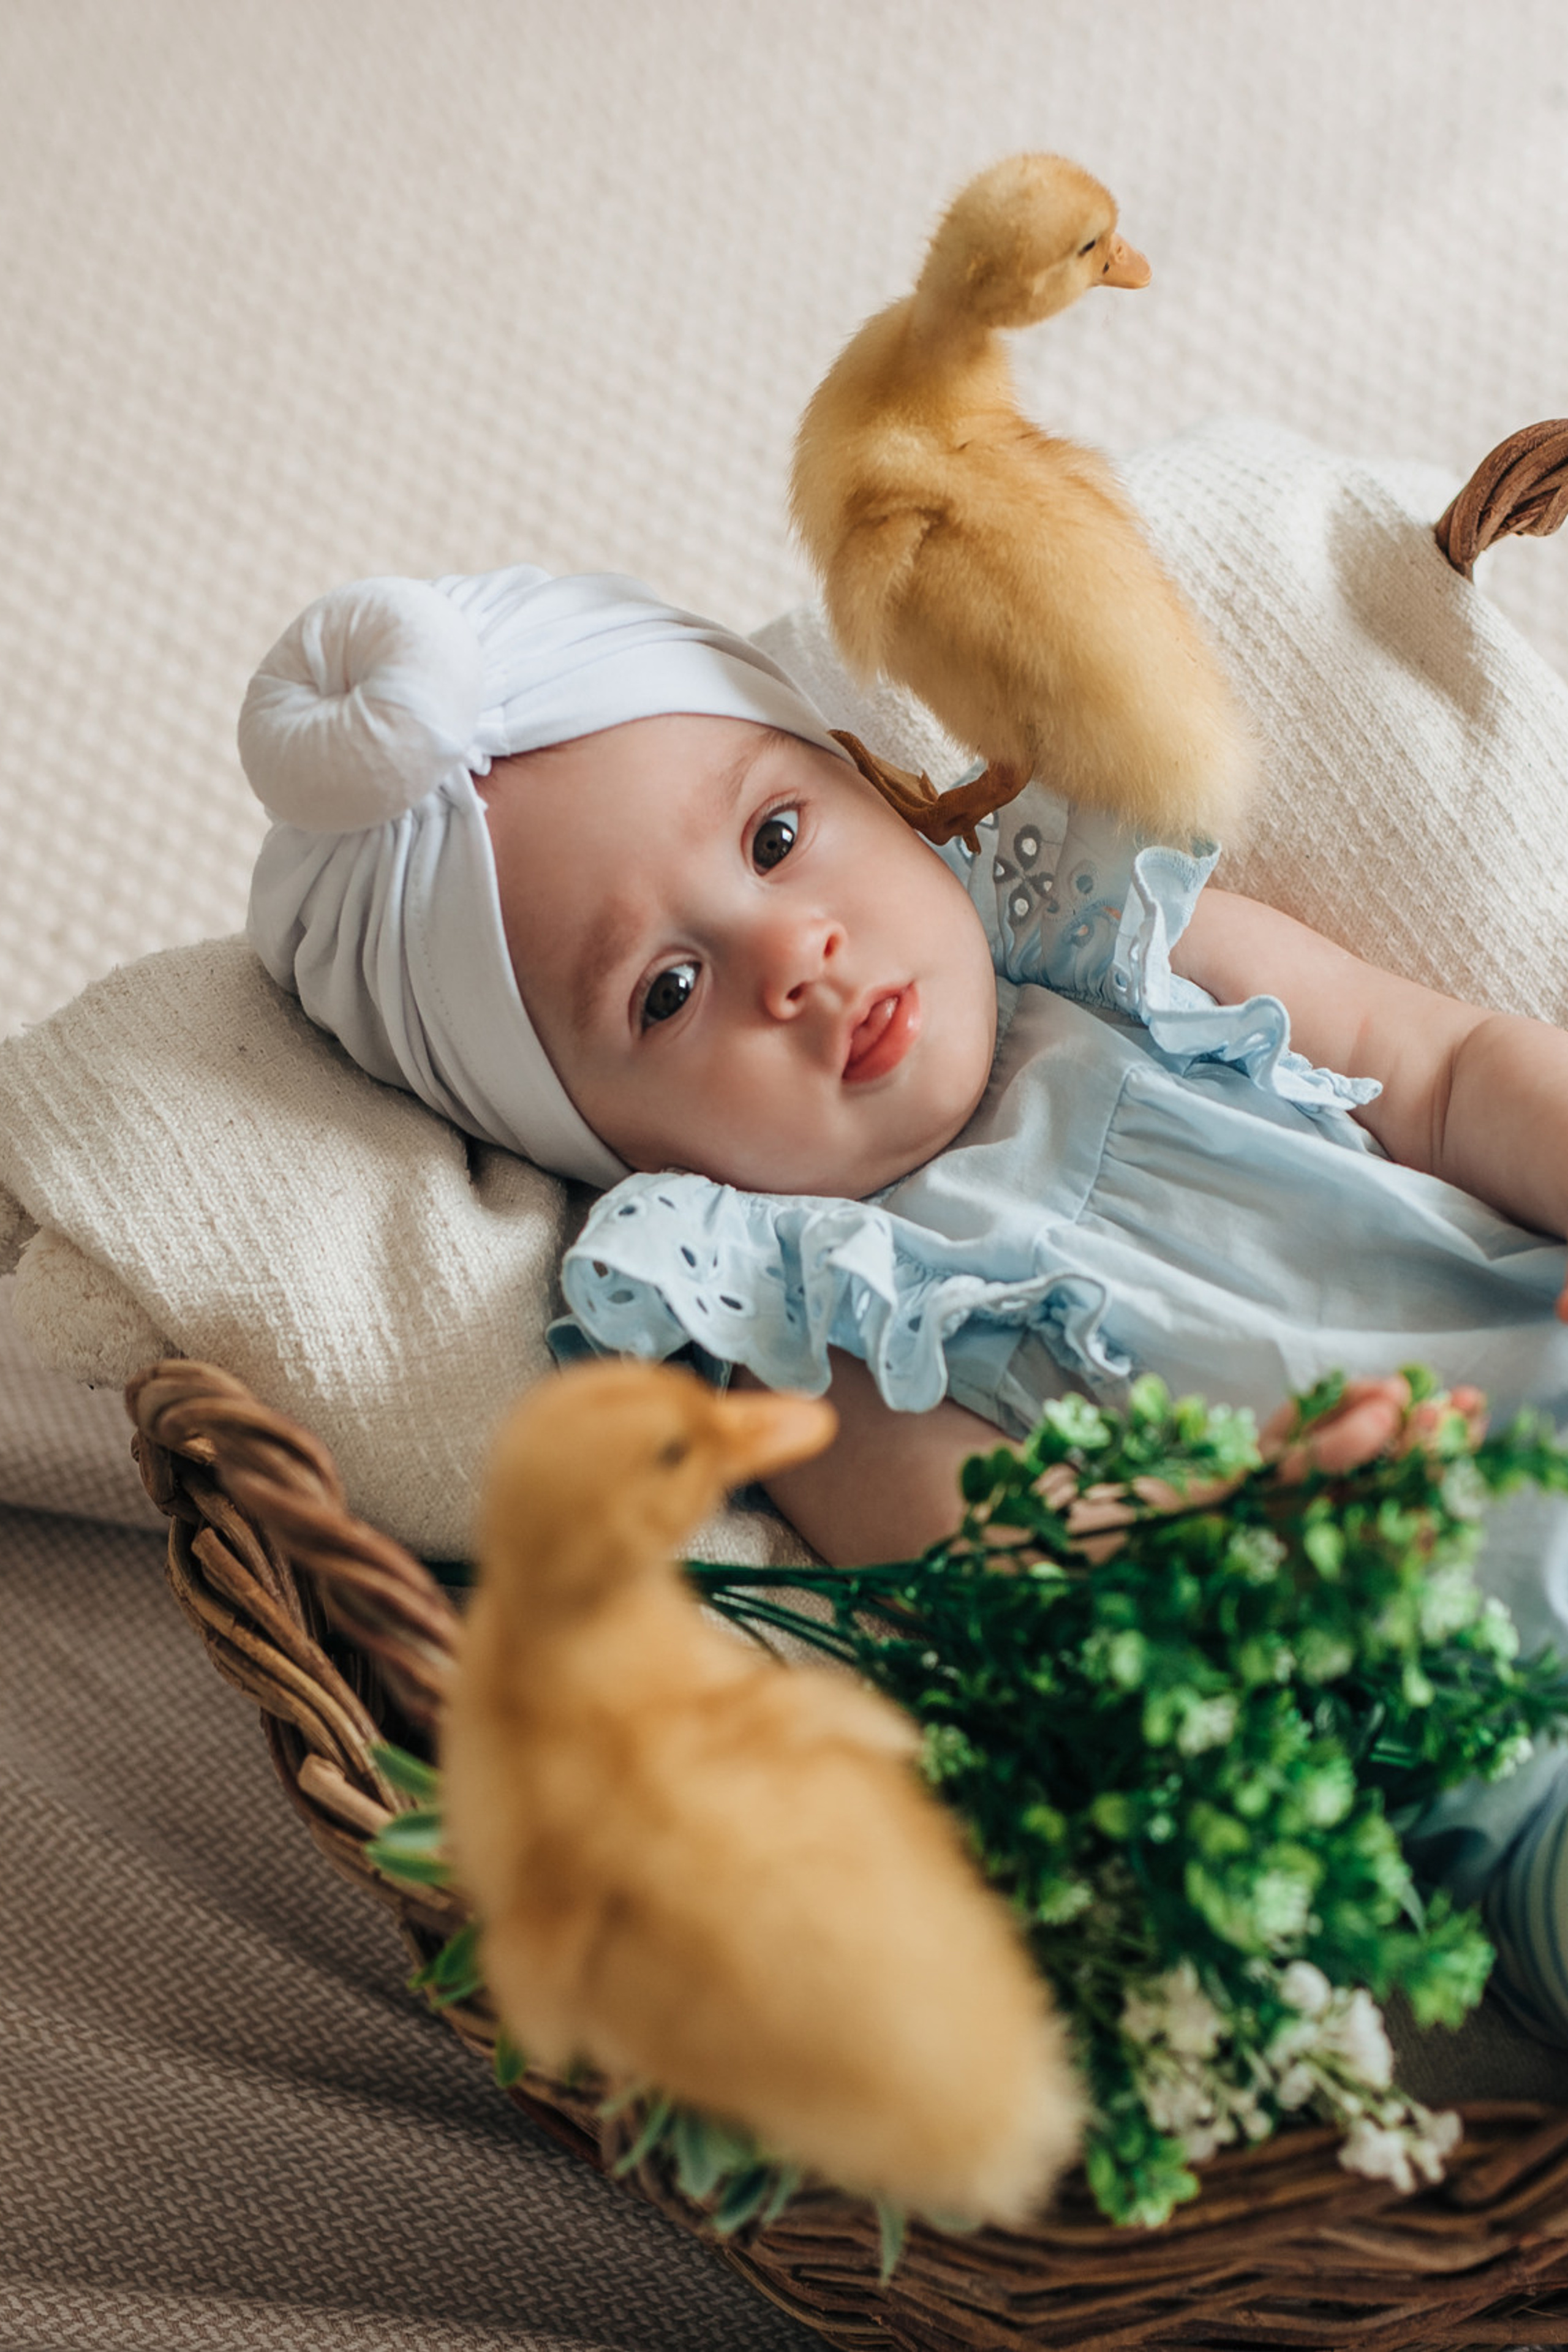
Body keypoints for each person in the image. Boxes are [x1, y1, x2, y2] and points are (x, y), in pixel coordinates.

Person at [241, 560, 1568, 2041]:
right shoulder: (812, 1325)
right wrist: (1239, 1531)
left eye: (777, 836)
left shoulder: (1121, 957)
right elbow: (1006, 1567)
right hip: (1462, 1703)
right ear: (590, 1143)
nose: (786, 954)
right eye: (665, 995)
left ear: (869, 780)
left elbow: (1448, 1070)